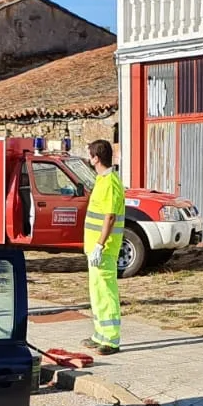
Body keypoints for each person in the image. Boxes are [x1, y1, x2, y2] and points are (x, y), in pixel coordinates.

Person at [82, 138, 124, 355]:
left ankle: (111, 339)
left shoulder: (109, 182)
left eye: (90, 155)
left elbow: (109, 218)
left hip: (104, 249)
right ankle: (100, 333)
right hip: (96, 249)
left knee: (106, 292)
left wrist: (99, 245)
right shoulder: (102, 179)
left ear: (96, 158)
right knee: (97, 291)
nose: (88, 158)